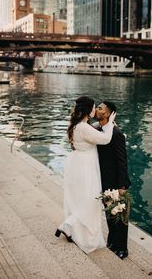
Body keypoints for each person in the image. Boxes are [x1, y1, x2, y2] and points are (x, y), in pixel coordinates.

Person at [55, 96, 116, 254]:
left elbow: (90, 129)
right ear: (88, 110)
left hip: (76, 163)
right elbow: (106, 139)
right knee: (90, 201)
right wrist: (110, 122)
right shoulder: (83, 127)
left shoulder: (76, 124)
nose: (95, 110)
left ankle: (71, 227)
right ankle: (68, 225)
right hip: (85, 166)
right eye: (94, 107)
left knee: (79, 200)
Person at [94, 101, 131, 259]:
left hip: (116, 182)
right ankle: (112, 242)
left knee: (120, 216)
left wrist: (122, 185)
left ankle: (122, 248)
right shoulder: (98, 129)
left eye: (100, 108)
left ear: (107, 114)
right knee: (110, 214)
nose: (97, 109)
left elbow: (122, 161)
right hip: (103, 179)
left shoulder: (116, 133)